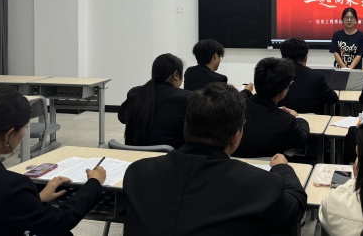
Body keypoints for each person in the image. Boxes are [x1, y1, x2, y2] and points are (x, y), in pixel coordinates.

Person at [123, 82, 307, 235]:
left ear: (186, 126)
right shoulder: (260, 185)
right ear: (235, 137)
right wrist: (283, 168)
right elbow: (296, 206)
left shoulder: (137, 173)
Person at [0, 86, 106, 236]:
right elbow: (61, 221)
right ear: (8, 135)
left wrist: (37, 199)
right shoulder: (9, 185)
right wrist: (94, 183)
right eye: (26, 126)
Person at [233, 57, 310, 158]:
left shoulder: (234, 108)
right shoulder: (286, 121)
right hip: (269, 166)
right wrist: (299, 118)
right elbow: (302, 139)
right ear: (283, 91)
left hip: (230, 163)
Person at [118, 53, 191, 149]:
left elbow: (122, 118)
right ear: (176, 75)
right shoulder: (187, 97)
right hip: (168, 157)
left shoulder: (135, 93)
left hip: (133, 155)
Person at [277, 37, 338, 114]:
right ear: (305, 57)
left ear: (283, 57)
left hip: (279, 118)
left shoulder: (273, 75)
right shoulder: (316, 76)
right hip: (310, 119)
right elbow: (333, 99)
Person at [183, 39, 253, 95]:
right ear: (215, 56)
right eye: (220, 57)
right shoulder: (219, 79)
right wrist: (247, 91)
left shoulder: (189, 71)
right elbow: (230, 102)